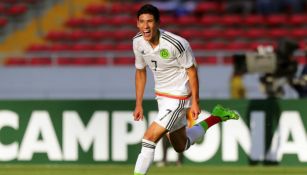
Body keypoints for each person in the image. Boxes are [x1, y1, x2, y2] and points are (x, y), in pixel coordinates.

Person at [132, 4, 240, 175]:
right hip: (162, 97)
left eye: (150, 22)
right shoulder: (137, 42)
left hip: (179, 97)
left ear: (158, 23)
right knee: (182, 145)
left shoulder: (177, 44)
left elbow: (192, 71)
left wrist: (195, 102)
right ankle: (216, 117)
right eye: (142, 22)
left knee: (149, 138)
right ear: (137, 23)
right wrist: (138, 103)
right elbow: (140, 72)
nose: (146, 26)